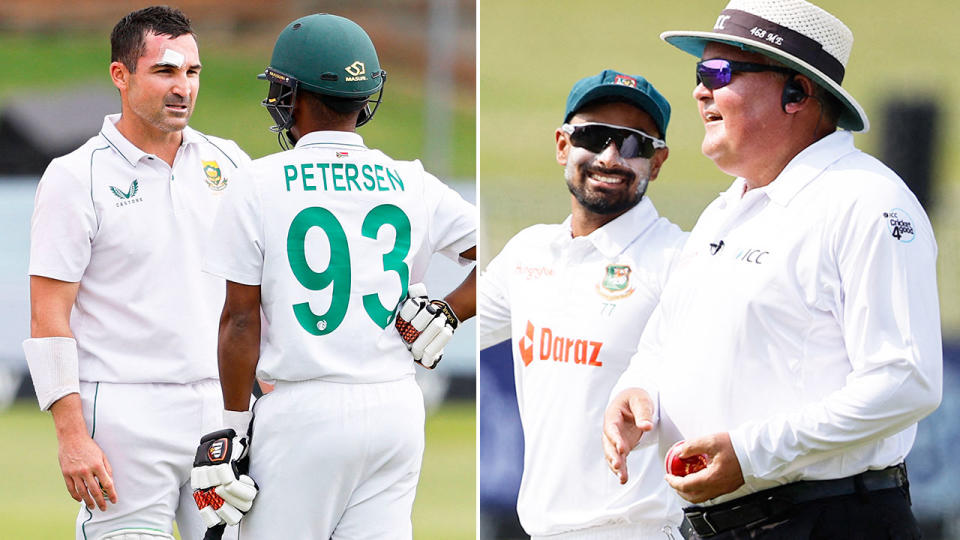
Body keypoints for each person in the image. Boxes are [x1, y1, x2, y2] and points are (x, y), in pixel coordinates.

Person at [602, 1, 942, 538]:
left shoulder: (868, 201)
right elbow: (665, 341)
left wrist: (750, 452)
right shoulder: (727, 208)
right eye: (699, 74)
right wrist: (639, 389)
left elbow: (907, 382)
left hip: (828, 521)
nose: (698, 91)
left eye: (718, 73)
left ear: (797, 94)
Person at [188, 13, 476, 538]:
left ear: (294, 96)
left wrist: (229, 430)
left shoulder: (257, 181)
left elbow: (239, 321)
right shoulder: (412, 180)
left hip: (304, 409)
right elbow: (498, 252)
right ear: (365, 98)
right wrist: (451, 311)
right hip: (397, 409)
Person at [22, 6, 251, 540]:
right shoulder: (76, 177)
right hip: (124, 415)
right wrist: (72, 435)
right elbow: (48, 312)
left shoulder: (231, 163)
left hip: (219, 414)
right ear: (120, 76)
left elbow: (254, 295)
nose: (183, 88)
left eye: (192, 73)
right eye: (165, 72)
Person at [479, 70, 687, 539]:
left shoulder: (681, 259)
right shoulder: (529, 252)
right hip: (543, 530)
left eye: (634, 144)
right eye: (594, 136)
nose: (611, 157)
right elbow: (451, 328)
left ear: (657, 162)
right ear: (562, 145)